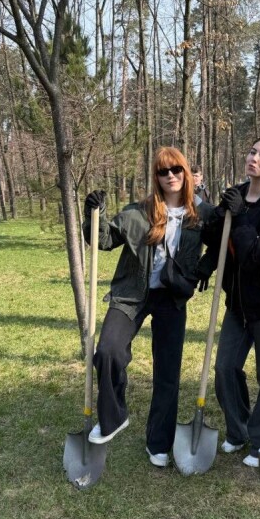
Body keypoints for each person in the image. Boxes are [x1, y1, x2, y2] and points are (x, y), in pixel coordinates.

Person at [82, 147, 215, 468]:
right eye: (162, 171)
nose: (170, 176)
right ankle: (114, 417)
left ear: (186, 173)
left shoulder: (201, 214)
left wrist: (202, 270)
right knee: (108, 351)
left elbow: (224, 239)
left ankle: (159, 443)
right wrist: (93, 214)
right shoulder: (138, 213)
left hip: (172, 297)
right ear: (155, 177)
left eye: (176, 169)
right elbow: (103, 240)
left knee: (167, 372)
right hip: (132, 293)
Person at [203, 137, 260, 468]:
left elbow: (255, 256)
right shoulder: (234, 194)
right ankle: (238, 430)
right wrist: (221, 214)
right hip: (236, 304)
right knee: (224, 368)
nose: (254, 158)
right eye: (252, 152)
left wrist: (240, 218)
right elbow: (213, 239)